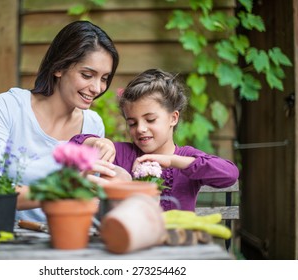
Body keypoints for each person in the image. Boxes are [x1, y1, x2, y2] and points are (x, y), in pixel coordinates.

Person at [0, 21, 121, 222]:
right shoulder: (9, 107)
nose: (97, 88)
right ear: (59, 67)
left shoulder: (93, 125)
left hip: (68, 238)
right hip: (10, 239)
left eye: (105, 78)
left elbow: (90, 198)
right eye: (87, 75)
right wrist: (58, 190)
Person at [71, 68, 239, 211]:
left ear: (173, 118)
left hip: (176, 243)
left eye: (150, 120)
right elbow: (71, 148)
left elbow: (230, 174)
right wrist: (97, 142)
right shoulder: (121, 154)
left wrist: (172, 161)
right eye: (132, 123)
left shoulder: (186, 158)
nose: (140, 129)